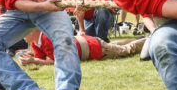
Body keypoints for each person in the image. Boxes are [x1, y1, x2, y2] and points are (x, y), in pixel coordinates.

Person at [18, 29, 146, 65]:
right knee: (114, 45)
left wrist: (33, 60)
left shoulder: (47, 39)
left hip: (95, 48)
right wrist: (29, 59)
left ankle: (149, 40)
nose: (22, 36)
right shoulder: (36, 41)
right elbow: (40, 58)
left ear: (32, 31)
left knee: (127, 50)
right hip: (90, 43)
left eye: (23, 32)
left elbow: (56, 61)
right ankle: (140, 39)